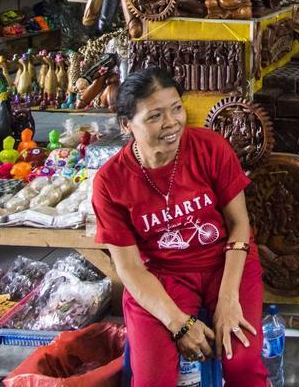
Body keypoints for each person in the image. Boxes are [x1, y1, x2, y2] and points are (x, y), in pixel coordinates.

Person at [92, 67, 267, 386]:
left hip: (224, 264)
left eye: (176, 108)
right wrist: (179, 324)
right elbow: (130, 268)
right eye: (155, 115)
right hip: (160, 276)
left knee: (241, 363)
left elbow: (240, 224)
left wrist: (229, 299)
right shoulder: (110, 182)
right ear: (127, 124)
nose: (172, 123)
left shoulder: (209, 147)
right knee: (152, 379)